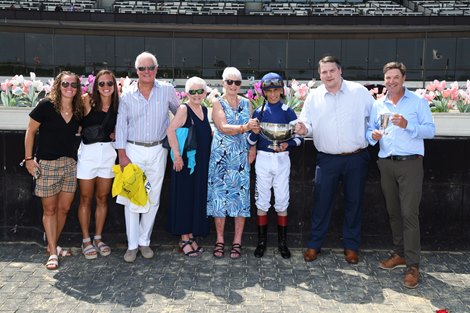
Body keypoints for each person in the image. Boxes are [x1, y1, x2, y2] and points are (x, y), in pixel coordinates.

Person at [295, 56, 374, 265]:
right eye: (324, 72)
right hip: (327, 159)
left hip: (356, 158)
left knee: (354, 203)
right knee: (321, 203)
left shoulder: (359, 92)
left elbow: (374, 119)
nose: (328, 75)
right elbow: (307, 123)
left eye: (331, 70)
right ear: (319, 75)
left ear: (340, 71)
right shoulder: (314, 96)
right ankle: (314, 245)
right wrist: (303, 129)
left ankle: (351, 247)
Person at [366, 62, 435, 288]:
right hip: (386, 163)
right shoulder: (378, 104)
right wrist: (373, 136)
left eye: (396, 77)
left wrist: (407, 125)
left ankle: (413, 265)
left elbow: (430, 131)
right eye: (388, 78)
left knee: (409, 214)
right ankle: (399, 253)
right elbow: (370, 131)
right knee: (394, 212)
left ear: (404, 78)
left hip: (410, 164)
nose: (392, 81)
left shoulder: (418, 102)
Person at [115, 51, 180, 262]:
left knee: (153, 197)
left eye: (150, 68)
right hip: (133, 151)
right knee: (132, 197)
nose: (146, 72)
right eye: (142, 68)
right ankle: (132, 245)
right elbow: (121, 127)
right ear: (136, 71)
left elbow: (180, 113)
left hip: (157, 150)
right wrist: (122, 155)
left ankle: (145, 241)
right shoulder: (126, 95)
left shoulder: (167, 90)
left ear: (156, 70)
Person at [23, 71, 83, 270]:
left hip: (70, 165)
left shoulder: (78, 108)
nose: (69, 88)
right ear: (58, 85)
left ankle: (52, 245)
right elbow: (30, 131)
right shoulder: (46, 106)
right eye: (65, 84)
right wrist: (29, 159)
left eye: (73, 85)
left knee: (64, 209)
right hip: (47, 165)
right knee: (49, 209)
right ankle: (52, 252)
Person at [247, 72, 303, 259]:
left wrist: (289, 144)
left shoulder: (288, 110)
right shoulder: (258, 111)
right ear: (263, 91)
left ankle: (282, 243)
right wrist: (254, 131)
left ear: (281, 90)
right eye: (269, 90)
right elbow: (251, 139)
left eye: (276, 90)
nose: (272, 94)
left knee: (282, 200)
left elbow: (299, 137)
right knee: (261, 200)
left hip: (282, 158)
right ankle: (261, 242)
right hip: (263, 158)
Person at [207, 67, 260, 260]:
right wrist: (245, 127)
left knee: (240, 199)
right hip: (221, 158)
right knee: (219, 200)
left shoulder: (247, 103)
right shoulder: (217, 103)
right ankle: (220, 240)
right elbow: (222, 127)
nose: (233, 86)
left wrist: (252, 148)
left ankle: (237, 241)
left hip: (240, 157)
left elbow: (253, 131)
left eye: (237, 82)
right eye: (229, 81)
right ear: (223, 83)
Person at [166, 77, 212, 257]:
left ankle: (191, 235)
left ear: (205, 92)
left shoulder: (204, 109)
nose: (196, 95)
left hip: (200, 164)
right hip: (185, 164)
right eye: (192, 92)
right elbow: (170, 130)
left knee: (194, 198)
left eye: (200, 91)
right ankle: (184, 238)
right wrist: (177, 156)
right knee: (185, 199)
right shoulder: (184, 109)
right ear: (186, 93)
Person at [77, 69, 119, 260]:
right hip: (88, 153)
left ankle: (98, 238)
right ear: (96, 86)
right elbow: (76, 122)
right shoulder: (87, 100)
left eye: (109, 83)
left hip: (108, 154)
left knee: (102, 198)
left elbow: (126, 124)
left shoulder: (119, 105)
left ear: (114, 85)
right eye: (101, 84)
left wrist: (118, 133)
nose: (105, 87)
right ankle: (86, 239)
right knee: (86, 198)